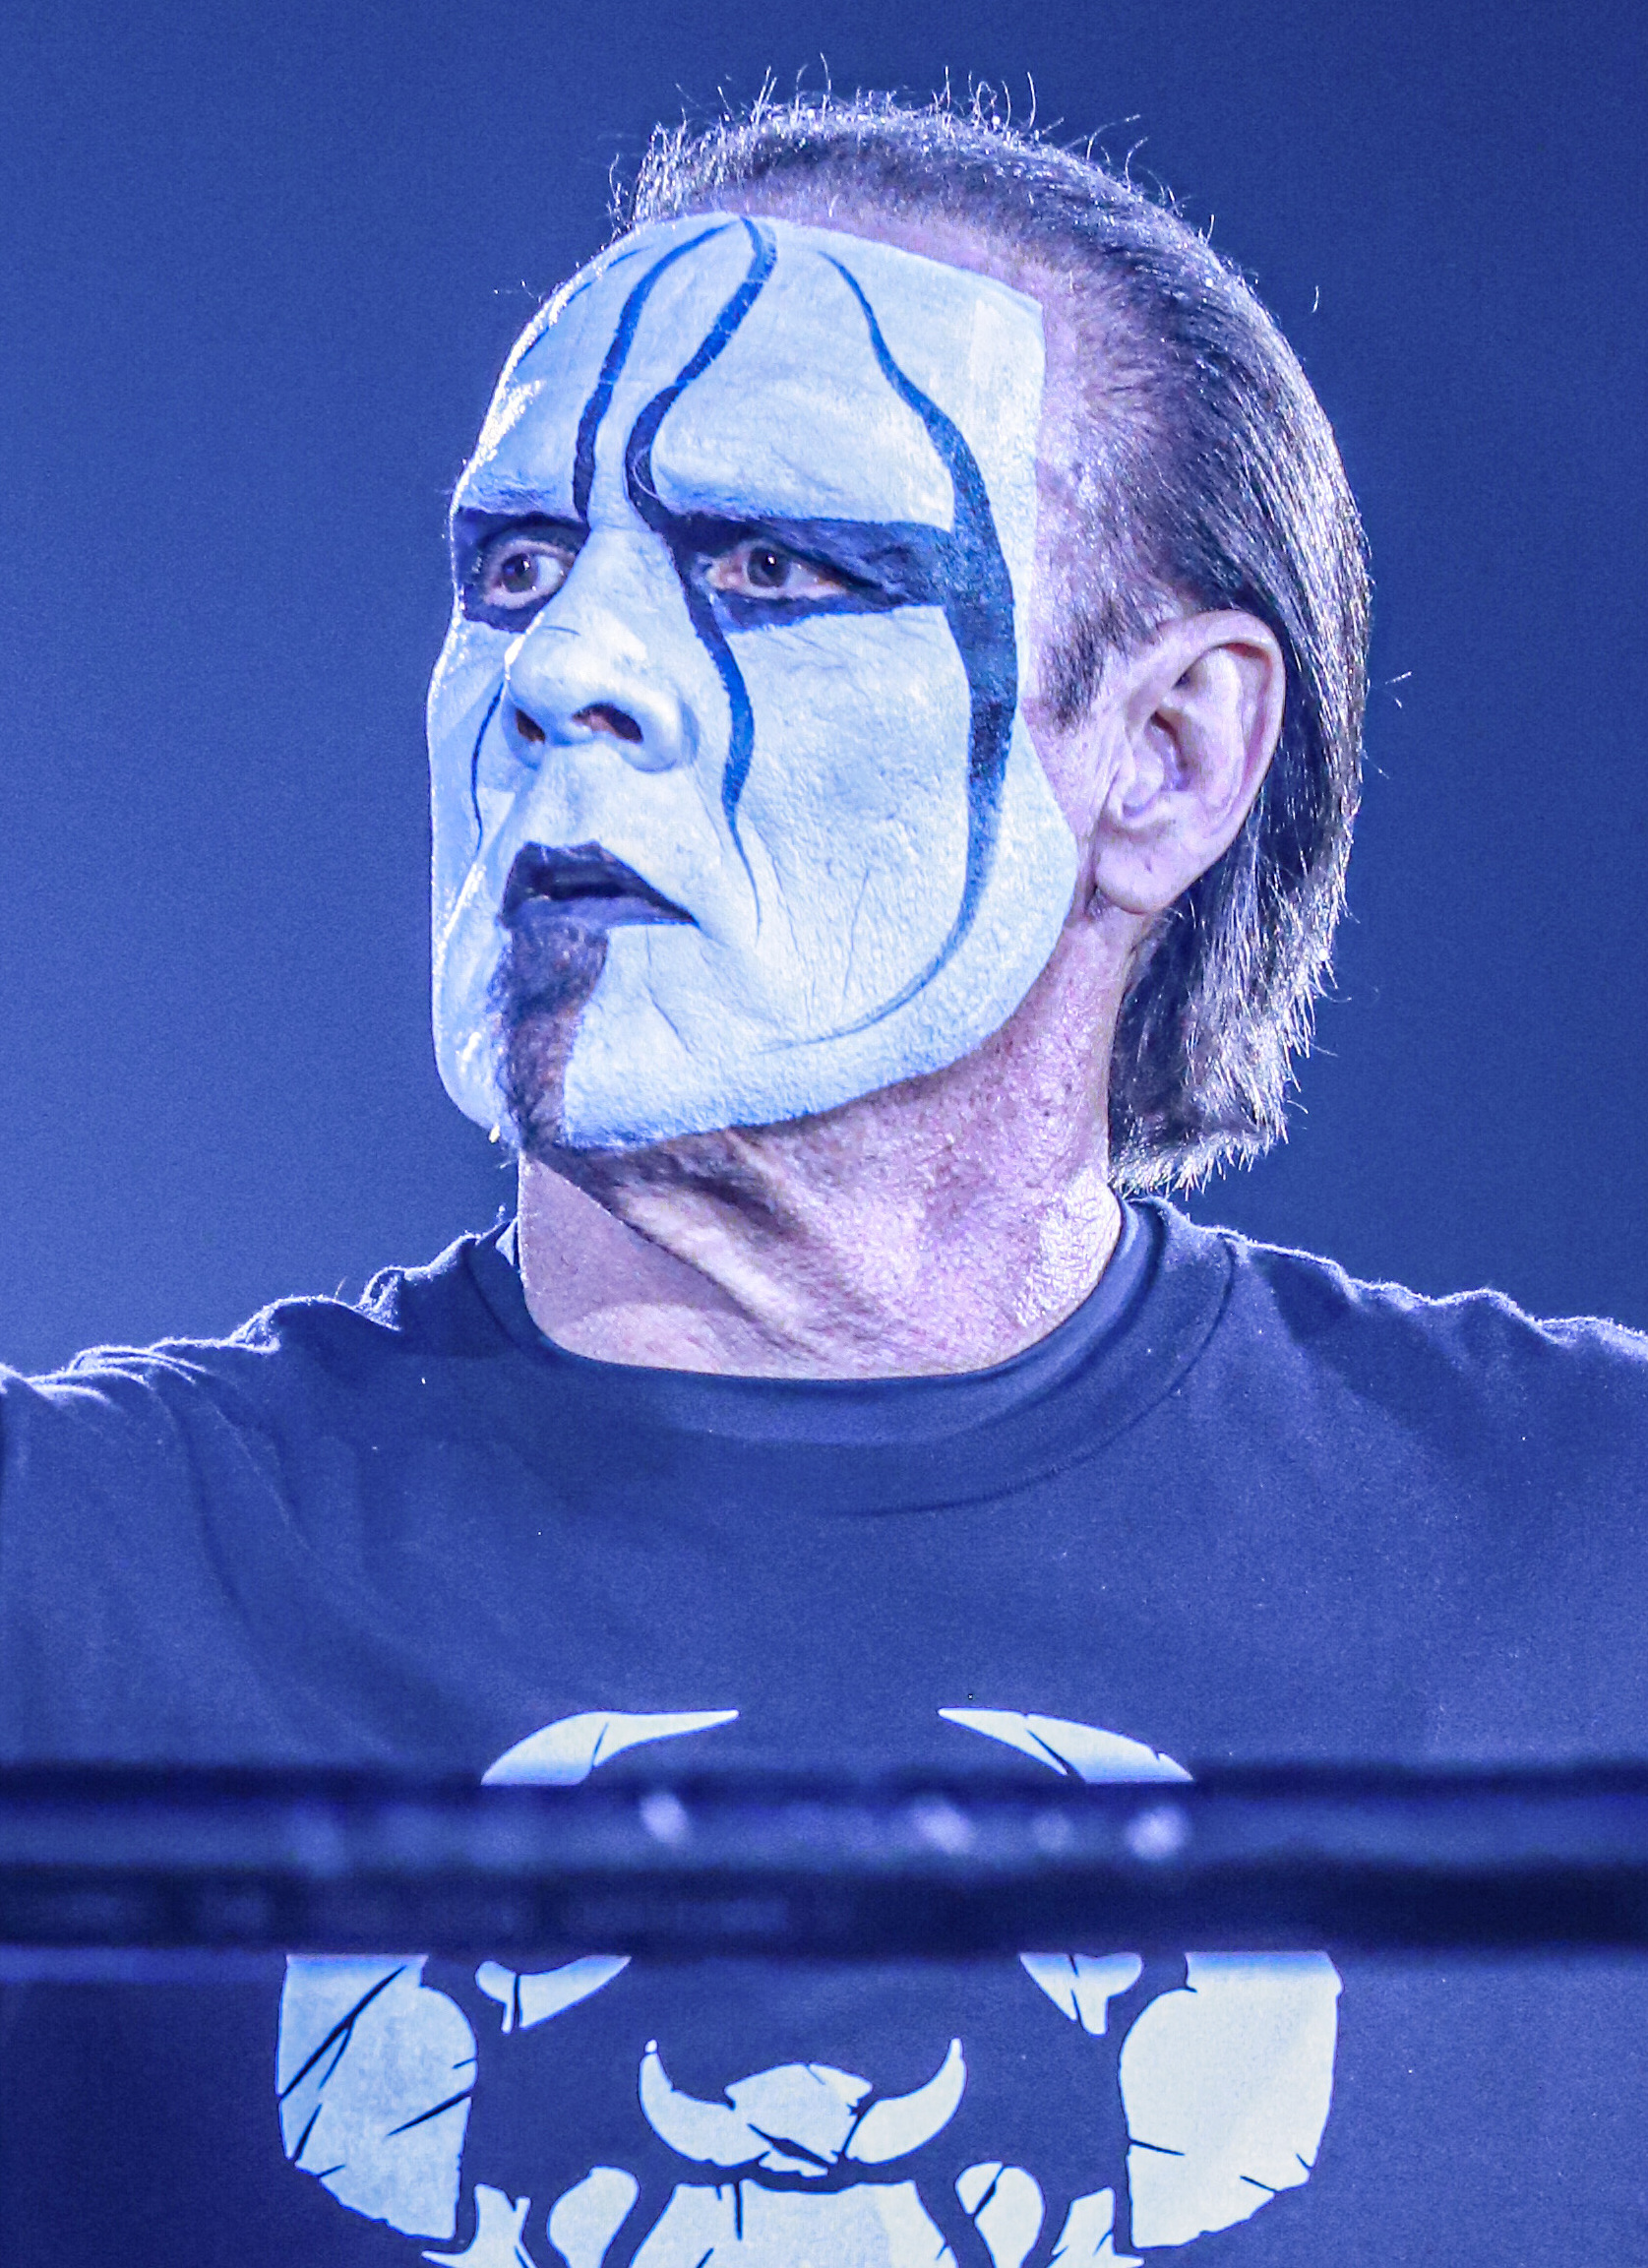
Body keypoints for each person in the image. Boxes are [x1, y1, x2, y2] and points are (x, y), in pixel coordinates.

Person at [2, 89, 1645, 2268]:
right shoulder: (60, 1581)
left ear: (1163, 757)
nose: (561, 672)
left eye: (771, 565)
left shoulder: (1598, 1559)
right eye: (514, 568)